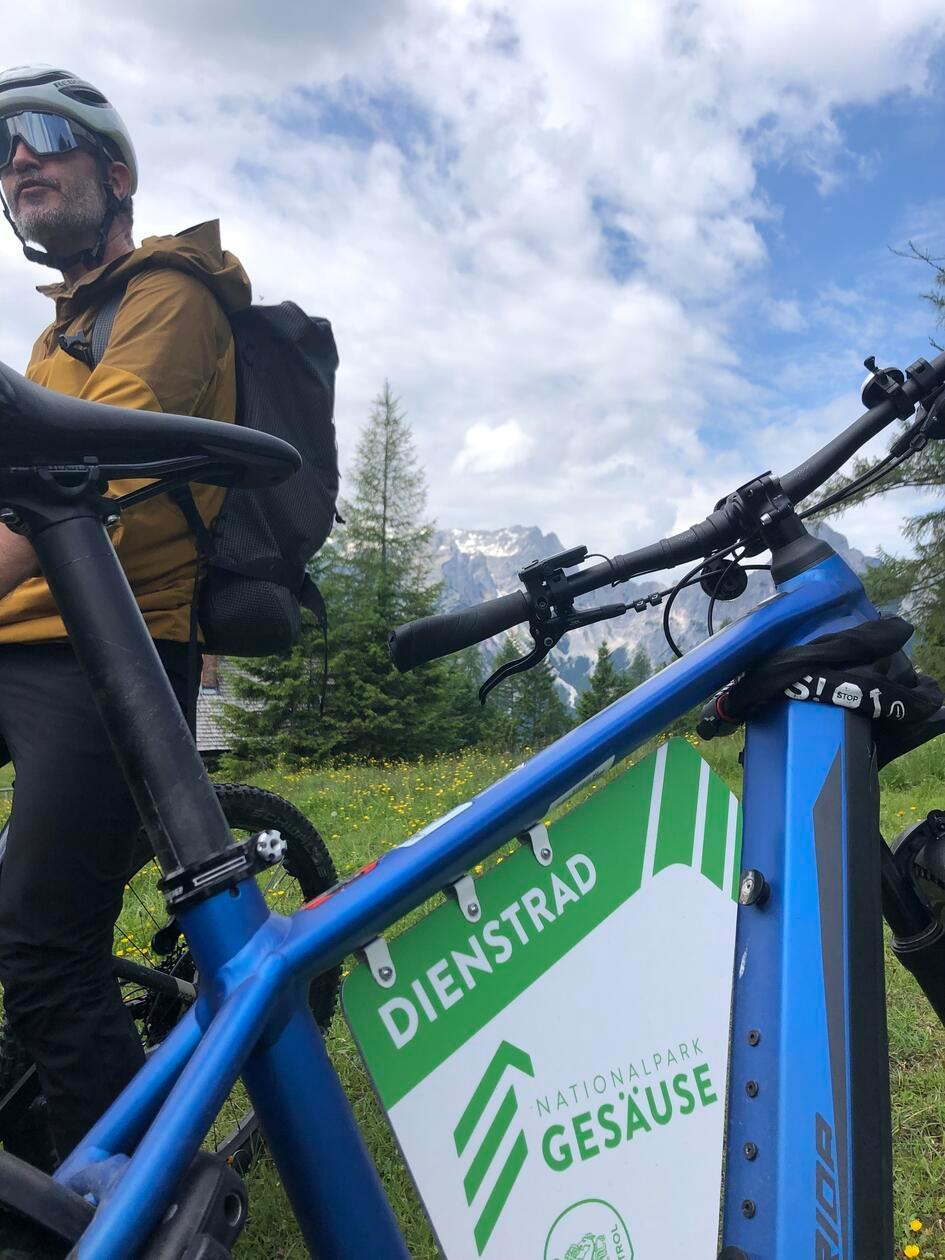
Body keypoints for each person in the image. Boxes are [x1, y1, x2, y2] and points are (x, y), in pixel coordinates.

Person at [0, 64, 252, 1163]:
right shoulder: (57, 337)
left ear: (116, 173)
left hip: (111, 652)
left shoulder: (173, 295)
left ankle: (123, 1207)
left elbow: (77, 466)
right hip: (18, 637)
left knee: (44, 940)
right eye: (1, 151)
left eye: (43, 135)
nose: (16, 161)